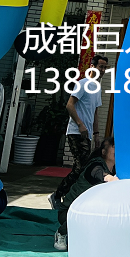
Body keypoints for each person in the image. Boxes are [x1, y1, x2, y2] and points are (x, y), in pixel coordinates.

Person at [49, 55, 107, 210]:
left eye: (104, 68)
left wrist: (96, 134)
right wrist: (80, 124)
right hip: (76, 132)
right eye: (100, 66)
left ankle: (68, 198)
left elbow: (95, 112)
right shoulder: (83, 84)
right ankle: (58, 195)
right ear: (92, 66)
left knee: (82, 167)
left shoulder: (97, 88)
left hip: (87, 134)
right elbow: (70, 105)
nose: (102, 70)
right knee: (80, 167)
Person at [54, 136, 117, 251]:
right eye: (114, 147)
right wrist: (109, 178)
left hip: (89, 210)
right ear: (104, 152)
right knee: (86, 215)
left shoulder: (116, 170)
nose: (118, 150)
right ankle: (61, 233)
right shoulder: (95, 164)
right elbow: (97, 173)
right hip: (68, 212)